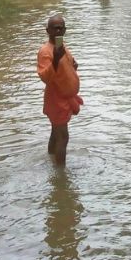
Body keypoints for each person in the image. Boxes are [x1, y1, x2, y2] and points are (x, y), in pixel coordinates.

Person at [37, 14, 82, 166]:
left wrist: (72, 66)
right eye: (54, 28)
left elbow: (68, 65)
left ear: (65, 30)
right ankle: (61, 176)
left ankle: (50, 159)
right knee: (63, 137)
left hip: (63, 98)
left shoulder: (61, 47)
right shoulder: (46, 51)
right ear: (47, 30)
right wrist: (55, 60)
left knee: (56, 134)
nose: (58, 31)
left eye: (60, 28)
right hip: (56, 100)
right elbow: (44, 77)